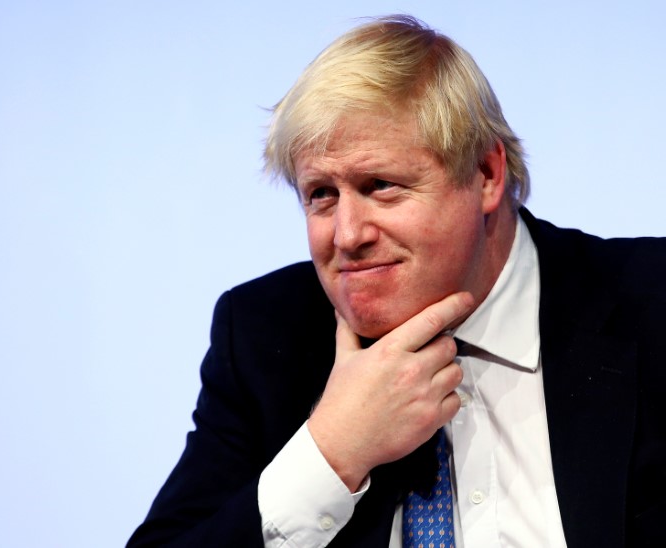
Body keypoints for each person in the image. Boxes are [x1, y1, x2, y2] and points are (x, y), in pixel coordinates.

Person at [127, 15, 665, 547]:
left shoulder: (652, 303)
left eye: (380, 185)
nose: (347, 235)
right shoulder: (265, 336)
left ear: (485, 174)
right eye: (321, 195)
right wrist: (331, 452)